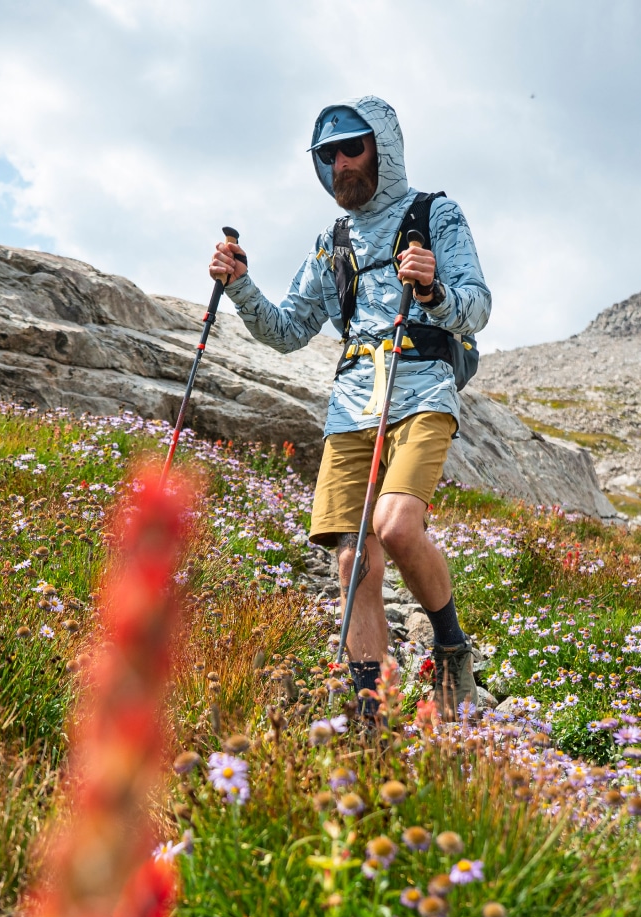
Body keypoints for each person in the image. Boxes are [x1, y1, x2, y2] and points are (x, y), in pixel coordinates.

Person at [209, 95, 491, 717]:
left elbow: (479, 305)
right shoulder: (329, 240)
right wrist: (240, 287)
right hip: (352, 403)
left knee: (395, 526)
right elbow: (287, 331)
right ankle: (371, 716)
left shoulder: (435, 215)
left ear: (382, 149)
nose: (339, 165)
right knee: (353, 560)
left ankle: (451, 650)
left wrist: (435, 289)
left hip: (423, 389)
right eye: (327, 155)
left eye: (351, 148)